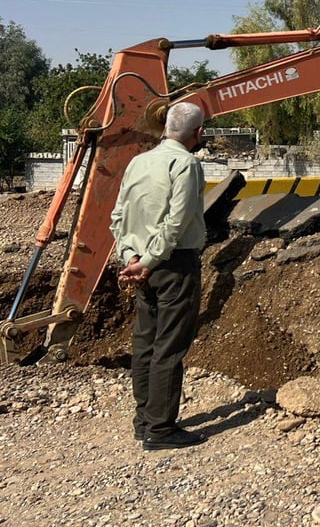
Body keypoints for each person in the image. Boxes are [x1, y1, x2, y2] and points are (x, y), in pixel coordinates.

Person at [110, 101, 208, 451]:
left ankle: (144, 420)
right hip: (174, 264)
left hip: (140, 266)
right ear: (198, 133)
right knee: (169, 347)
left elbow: (118, 215)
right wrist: (150, 260)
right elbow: (177, 221)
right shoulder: (186, 164)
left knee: (145, 344)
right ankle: (161, 429)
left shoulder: (138, 162)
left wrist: (131, 257)